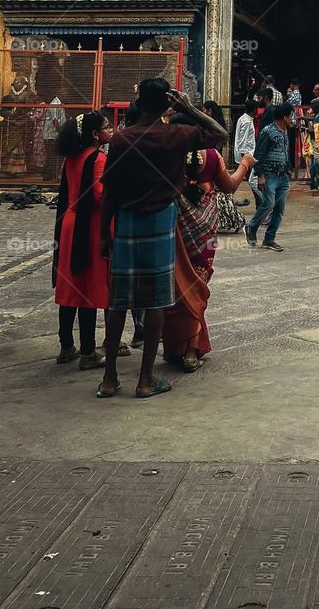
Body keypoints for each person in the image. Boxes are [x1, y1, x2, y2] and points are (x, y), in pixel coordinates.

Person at [98, 80, 228, 399]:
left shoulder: (121, 139)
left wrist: (105, 233)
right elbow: (219, 135)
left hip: (126, 221)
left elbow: (110, 192)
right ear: (168, 104)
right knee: (156, 301)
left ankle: (109, 378)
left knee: (117, 302)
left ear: (139, 102)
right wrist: (188, 108)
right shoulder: (176, 136)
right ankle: (145, 379)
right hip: (160, 221)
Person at [162, 119, 254, 370]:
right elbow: (229, 187)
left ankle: (173, 347)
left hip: (176, 224)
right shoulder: (212, 156)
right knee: (199, 282)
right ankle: (191, 350)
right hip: (207, 230)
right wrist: (245, 164)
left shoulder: (169, 153)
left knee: (176, 284)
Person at [52, 111, 114, 369]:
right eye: (107, 127)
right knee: (88, 287)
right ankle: (88, 352)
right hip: (89, 227)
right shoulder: (98, 158)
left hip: (69, 223)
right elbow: (100, 195)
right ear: (94, 134)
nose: (111, 130)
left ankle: (66, 346)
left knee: (70, 286)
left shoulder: (71, 158)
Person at [247, 102, 293, 251]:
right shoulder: (268, 131)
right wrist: (260, 174)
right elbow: (259, 154)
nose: (291, 119)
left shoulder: (284, 131)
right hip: (270, 174)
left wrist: (288, 167)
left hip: (282, 175)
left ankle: (269, 239)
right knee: (269, 204)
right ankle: (252, 226)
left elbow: (285, 151)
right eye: (290, 116)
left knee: (279, 209)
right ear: (284, 117)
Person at [234, 99, 257, 164]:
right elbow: (243, 140)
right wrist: (245, 157)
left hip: (246, 155)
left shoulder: (243, 118)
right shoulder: (246, 122)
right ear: (255, 109)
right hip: (246, 155)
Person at [286, 79, 302, 174]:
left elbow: (287, 104)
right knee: (291, 145)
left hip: (291, 122)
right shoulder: (297, 94)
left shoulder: (295, 94)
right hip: (293, 121)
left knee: (290, 145)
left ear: (292, 85)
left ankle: (290, 166)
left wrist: (288, 95)